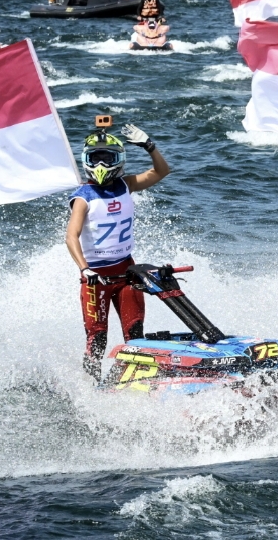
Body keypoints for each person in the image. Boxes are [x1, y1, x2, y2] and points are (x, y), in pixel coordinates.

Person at [66, 121, 170, 381]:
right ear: (86, 161)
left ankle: (134, 381)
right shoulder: (83, 197)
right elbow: (71, 236)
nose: (101, 164)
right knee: (97, 337)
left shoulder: (126, 185)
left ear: (119, 160)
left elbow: (162, 171)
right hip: (95, 279)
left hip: (126, 274)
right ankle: (91, 386)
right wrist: (84, 269)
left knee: (135, 335)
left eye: (107, 158)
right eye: (95, 158)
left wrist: (149, 146)